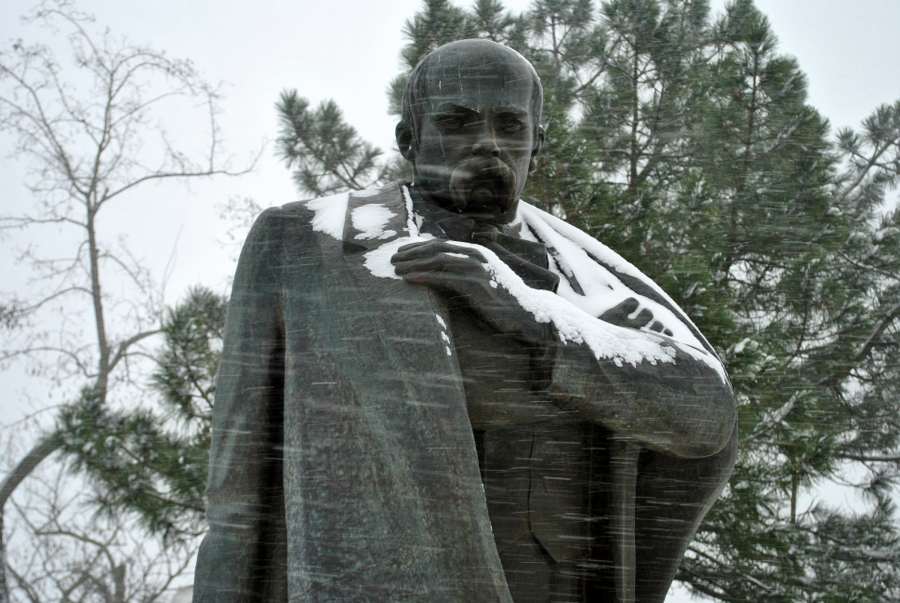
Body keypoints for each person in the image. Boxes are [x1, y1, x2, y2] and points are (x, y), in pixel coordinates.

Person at [193, 39, 737, 603]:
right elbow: (237, 497)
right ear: (410, 139)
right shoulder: (307, 242)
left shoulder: (589, 273)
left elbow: (707, 418)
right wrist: (601, 376)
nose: (488, 144)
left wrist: (535, 318)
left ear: (538, 143)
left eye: (510, 125)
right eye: (457, 122)